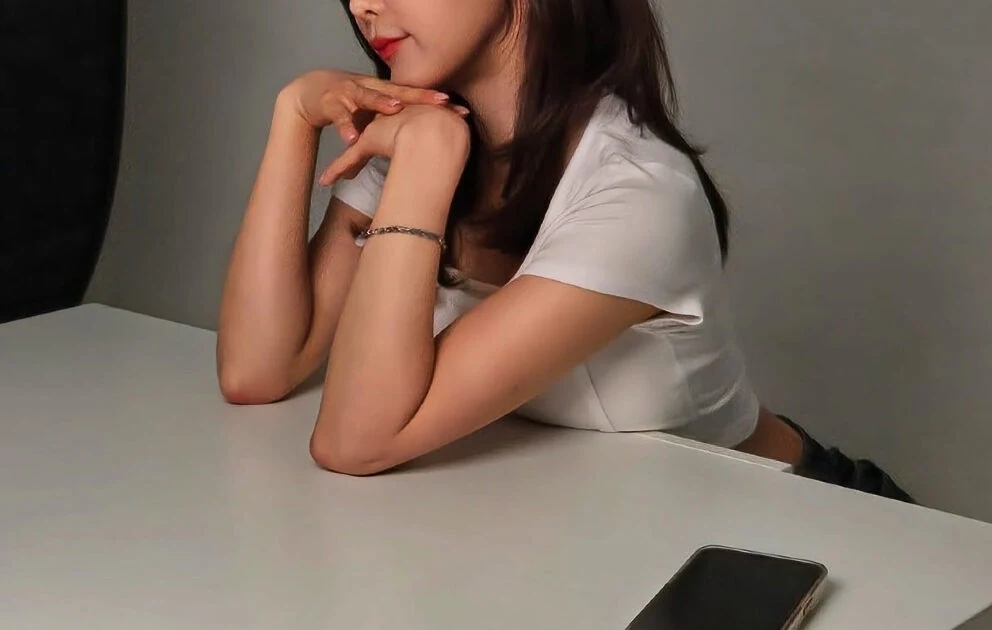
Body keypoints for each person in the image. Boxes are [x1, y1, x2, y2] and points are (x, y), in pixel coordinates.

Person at [216, 0, 913, 502]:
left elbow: (354, 442)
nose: (362, 7)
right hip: (604, 532)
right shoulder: (419, 133)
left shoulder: (638, 194)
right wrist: (293, 116)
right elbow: (257, 370)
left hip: (797, 528)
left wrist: (427, 157)